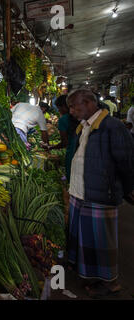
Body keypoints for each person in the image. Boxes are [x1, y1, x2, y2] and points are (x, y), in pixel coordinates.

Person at [66, 88, 134, 299]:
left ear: (88, 103)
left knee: (102, 241)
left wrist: (127, 189)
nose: (71, 111)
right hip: (81, 193)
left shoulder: (111, 126)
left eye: (73, 106)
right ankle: (92, 276)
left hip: (100, 194)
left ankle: (110, 283)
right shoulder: (85, 125)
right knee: (87, 239)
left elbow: (127, 162)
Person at [47, 95, 79, 181]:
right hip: (81, 151)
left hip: (72, 151)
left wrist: (51, 147)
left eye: (59, 108)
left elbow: (64, 143)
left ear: (65, 107)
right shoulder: (79, 117)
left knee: (71, 179)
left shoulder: (63, 120)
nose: (58, 110)